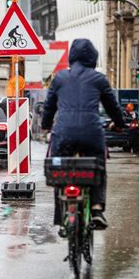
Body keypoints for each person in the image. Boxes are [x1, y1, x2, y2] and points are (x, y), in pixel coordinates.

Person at [41, 38, 125, 233]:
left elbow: (49, 107)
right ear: (93, 57)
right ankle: (96, 210)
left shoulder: (60, 78)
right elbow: (113, 107)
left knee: (60, 172)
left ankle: (63, 217)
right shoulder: (99, 79)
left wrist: (46, 126)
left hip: (63, 133)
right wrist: (120, 124)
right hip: (91, 133)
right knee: (97, 167)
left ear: (71, 57)